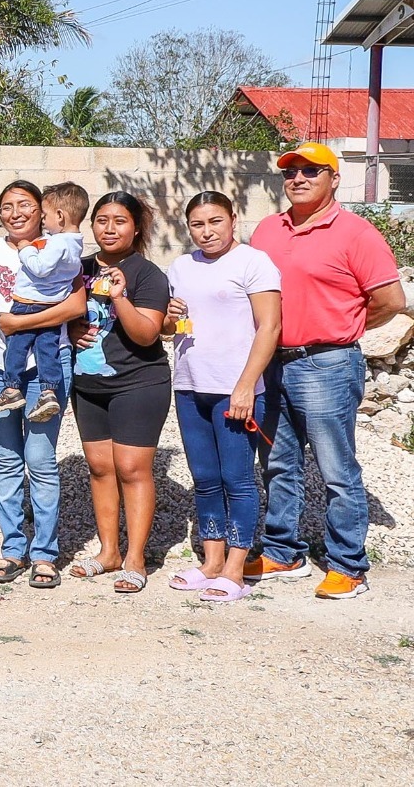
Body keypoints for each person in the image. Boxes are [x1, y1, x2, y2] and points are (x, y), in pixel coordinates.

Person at [246, 142, 404, 599]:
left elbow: (391, 301)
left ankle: (348, 565)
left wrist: (345, 326)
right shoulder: (267, 231)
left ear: (334, 178)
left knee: (336, 468)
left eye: (311, 170)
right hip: (272, 362)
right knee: (277, 462)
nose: (298, 178)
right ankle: (282, 551)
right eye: (290, 172)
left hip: (328, 365)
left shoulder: (356, 233)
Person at [0, 181, 85, 590]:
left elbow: (76, 305)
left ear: (43, 211)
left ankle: (45, 553)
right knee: (7, 457)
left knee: (41, 458)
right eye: (7, 205)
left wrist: (20, 323)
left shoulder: (59, 247)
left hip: (45, 366)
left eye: (25, 205)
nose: (16, 213)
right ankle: (13, 547)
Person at [164, 192, 281, 603]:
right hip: (190, 384)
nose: (206, 231)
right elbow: (167, 328)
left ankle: (236, 570)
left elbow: (269, 327)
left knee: (237, 480)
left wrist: (247, 384)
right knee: (205, 479)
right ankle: (211, 562)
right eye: (197, 224)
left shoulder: (253, 262)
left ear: (234, 219)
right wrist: (168, 316)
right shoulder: (180, 266)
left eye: (215, 221)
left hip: (237, 390)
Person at [63, 192, 172, 595]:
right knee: (100, 467)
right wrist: (71, 330)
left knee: (131, 468)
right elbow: (62, 316)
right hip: (88, 386)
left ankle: (135, 559)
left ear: (136, 228)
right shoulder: (79, 267)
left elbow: (146, 334)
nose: (110, 229)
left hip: (139, 382)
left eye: (120, 221)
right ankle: (108, 552)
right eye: (102, 220)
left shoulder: (147, 274)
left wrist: (121, 296)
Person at [0, 182, 88, 422]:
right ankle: (49, 391)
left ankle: (11, 388)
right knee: (46, 348)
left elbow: (40, 268)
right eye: (6, 207)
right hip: (51, 306)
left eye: (44, 215)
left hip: (28, 303)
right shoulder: (75, 243)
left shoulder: (57, 242)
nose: (44, 220)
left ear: (60, 216)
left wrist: (25, 249)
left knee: (17, 345)